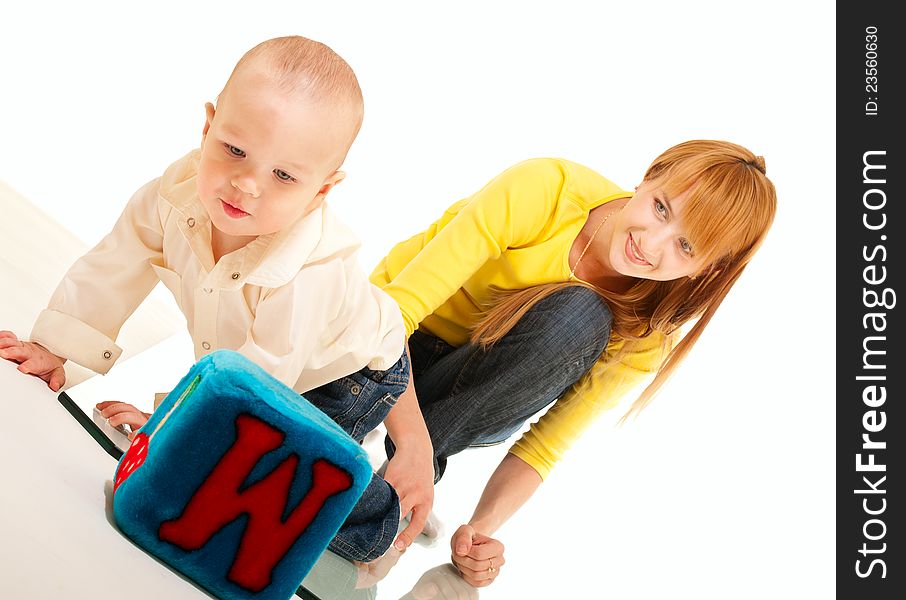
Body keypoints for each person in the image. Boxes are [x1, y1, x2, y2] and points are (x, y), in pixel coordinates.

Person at [0, 36, 435, 564]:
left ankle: (380, 519)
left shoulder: (308, 274)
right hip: (259, 359)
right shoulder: (174, 194)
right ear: (208, 127)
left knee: (280, 485)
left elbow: (260, 381)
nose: (246, 184)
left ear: (321, 190)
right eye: (234, 149)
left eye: (283, 175)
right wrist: (53, 347)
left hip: (346, 372)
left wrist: (164, 425)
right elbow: (114, 264)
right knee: (214, 453)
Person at [369, 140, 777, 587]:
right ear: (650, 175)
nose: (650, 244)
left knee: (580, 317)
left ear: (707, 269)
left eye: (685, 246)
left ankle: (395, 489)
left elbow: (543, 448)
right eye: (661, 208)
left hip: (452, 400)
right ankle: (386, 455)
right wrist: (414, 446)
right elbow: (396, 314)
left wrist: (480, 533)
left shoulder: (646, 335)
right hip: (377, 342)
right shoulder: (546, 189)